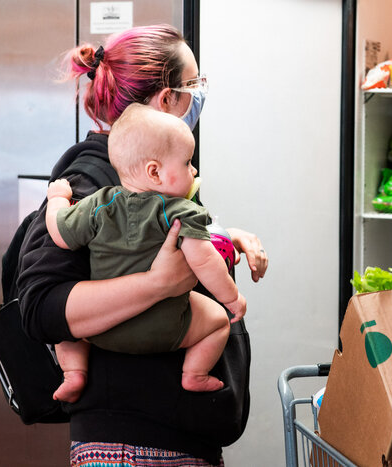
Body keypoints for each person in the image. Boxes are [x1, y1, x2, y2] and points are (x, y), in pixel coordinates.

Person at [17, 24, 267, 466]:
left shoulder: (155, 181)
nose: (200, 97)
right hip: (135, 447)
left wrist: (228, 241)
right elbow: (41, 306)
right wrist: (157, 284)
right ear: (167, 99)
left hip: (165, 440)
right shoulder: (94, 181)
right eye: (195, 85)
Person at [46, 104, 247, 402]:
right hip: (167, 329)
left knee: (61, 328)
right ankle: (195, 374)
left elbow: (61, 234)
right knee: (217, 321)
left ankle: (74, 372)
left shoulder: (99, 205)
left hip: (102, 331)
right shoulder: (182, 212)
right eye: (187, 162)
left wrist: (57, 198)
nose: (193, 171)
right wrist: (231, 298)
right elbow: (205, 260)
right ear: (155, 172)